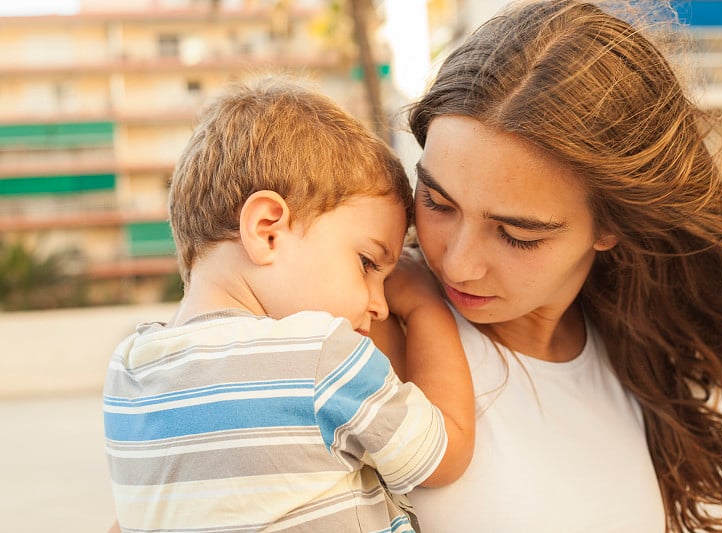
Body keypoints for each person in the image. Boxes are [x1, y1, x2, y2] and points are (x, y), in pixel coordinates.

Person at [370, 1, 722, 532]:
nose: (456, 265)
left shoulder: (642, 356)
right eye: (436, 202)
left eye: (517, 234)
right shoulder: (367, 337)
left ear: (609, 226)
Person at [103, 76, 474, 533]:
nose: (379, 304)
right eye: (367, 263)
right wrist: (424, 306)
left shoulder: (127, 373)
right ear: (266, 230)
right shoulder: (322, 356)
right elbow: (446, 452)